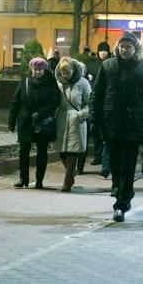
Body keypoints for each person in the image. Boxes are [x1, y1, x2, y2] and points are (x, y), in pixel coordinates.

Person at [93, 32, 143, 222]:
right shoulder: (108, 65)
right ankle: (120, 187)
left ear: (136, 49)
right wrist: (96, 118)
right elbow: (98, 93)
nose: (124, 49)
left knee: (128, 164)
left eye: (128, 47)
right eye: (121, 46)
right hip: (111, 121)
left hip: (133, 123)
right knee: (115, 164)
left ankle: (121, 203)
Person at [8, 57, 61, 189]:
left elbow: (55, 102)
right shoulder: (24, 82)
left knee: (42, 152)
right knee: (23, 151)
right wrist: (11, 120)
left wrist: (41, 113)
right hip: (25, 121)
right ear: (31, 69)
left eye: (40, 69)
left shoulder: (50, 84)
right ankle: (23, 178)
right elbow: (16, 102)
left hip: (43, 122)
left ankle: (39, 180)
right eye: (35, 69)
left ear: (44, 69)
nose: (38, 72)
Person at [54, 57, 91, 192]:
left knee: (73, 150)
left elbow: (90, 101)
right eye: (63, 73)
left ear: (73, 71)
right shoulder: (58, 83)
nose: (66, 75)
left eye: (68, 73)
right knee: (62, 150)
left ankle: (68, 180)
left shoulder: (83, 83)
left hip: (76, 118)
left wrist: (82, 114)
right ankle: (71, 172)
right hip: (62, 118)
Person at [89, 41, 111, 172]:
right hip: (96, 100)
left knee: (105, 132)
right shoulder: (92, 65)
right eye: (101, 51)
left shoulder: (111, 65)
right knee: (96, 131)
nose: (103, 53)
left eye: (105, 51)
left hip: (107, 101)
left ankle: (104, 159)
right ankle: (98, 155)